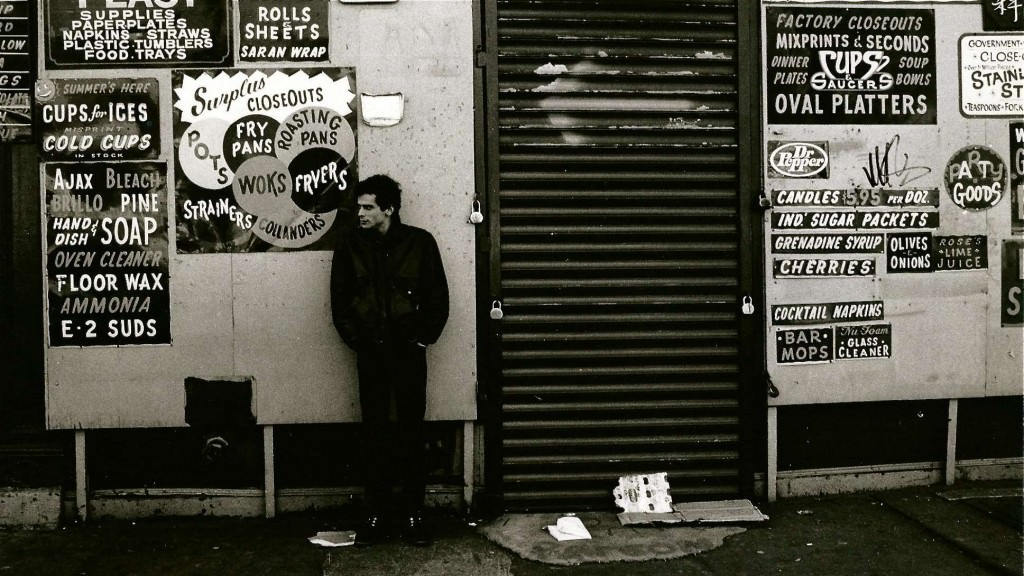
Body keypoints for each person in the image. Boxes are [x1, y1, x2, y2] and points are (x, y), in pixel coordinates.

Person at [330, 174, 450, 546]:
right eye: (358, 207)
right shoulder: (350, 245)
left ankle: (414, 516)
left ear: (389, 209)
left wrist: (420, 340)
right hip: (372, 353)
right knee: (375, 433)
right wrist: (358, 341)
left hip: (408, 352)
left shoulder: (420, 243)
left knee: (412, 432)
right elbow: (340, 302)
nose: (360, 214)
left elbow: (437, 299)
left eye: (368, 207)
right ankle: (378, 516)